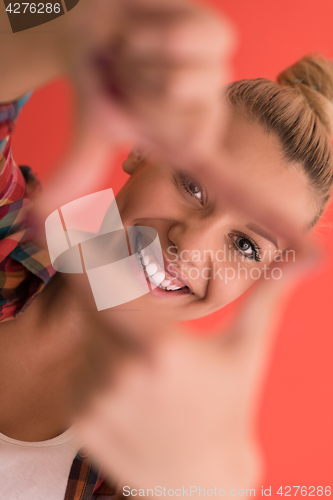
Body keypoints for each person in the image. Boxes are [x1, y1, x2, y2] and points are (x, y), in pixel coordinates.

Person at [0, 1, 332, 498]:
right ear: (142, 147)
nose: (192, 245)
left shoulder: (151, 463)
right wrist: (70, 25)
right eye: (194, 186)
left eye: (244, 244)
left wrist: (211, 489)